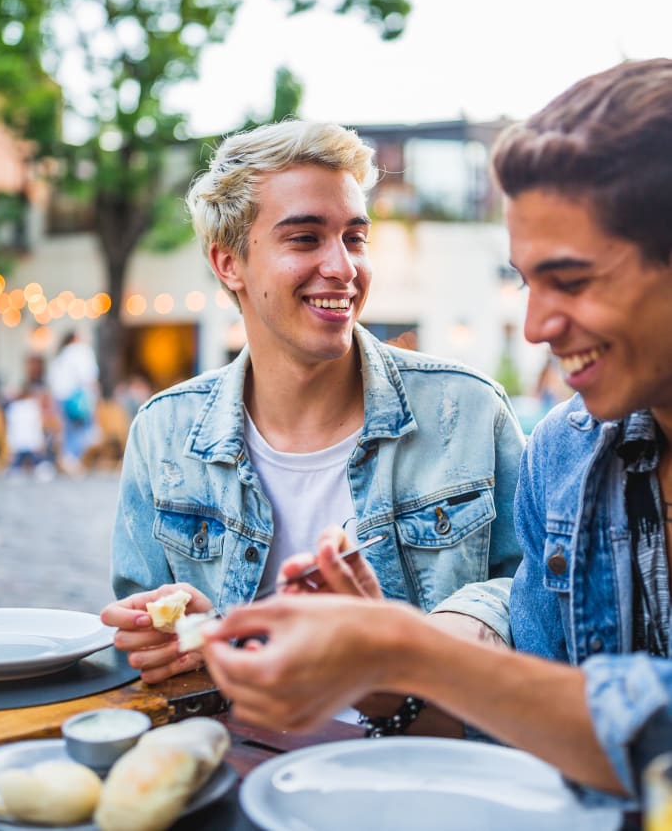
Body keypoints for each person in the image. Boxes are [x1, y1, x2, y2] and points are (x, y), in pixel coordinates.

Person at [200, 60, 672, 803]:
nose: (538, 327)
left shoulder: (477, 411)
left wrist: (396, 647)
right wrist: (388, 665)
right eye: (525, 281)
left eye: (573, 281)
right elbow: (531, 742)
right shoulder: (567, 453)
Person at [101, 120, 524, 696]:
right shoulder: (163, 431)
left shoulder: (469, 411)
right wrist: (184, 636)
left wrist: (463, 623)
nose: (343, 268)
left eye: (354, 237)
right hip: (235, 757)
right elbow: (141, 644)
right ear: (228, 263)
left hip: (425, 755)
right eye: (305, 239)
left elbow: (534, 589)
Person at [47, 330, 99, 472]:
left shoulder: (61, 355)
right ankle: (71, 460)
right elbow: (88, 376)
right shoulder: (81, 351)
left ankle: (67, 459)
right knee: (82, 430)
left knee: (67, 431)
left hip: (61, 398)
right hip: (77, 398)